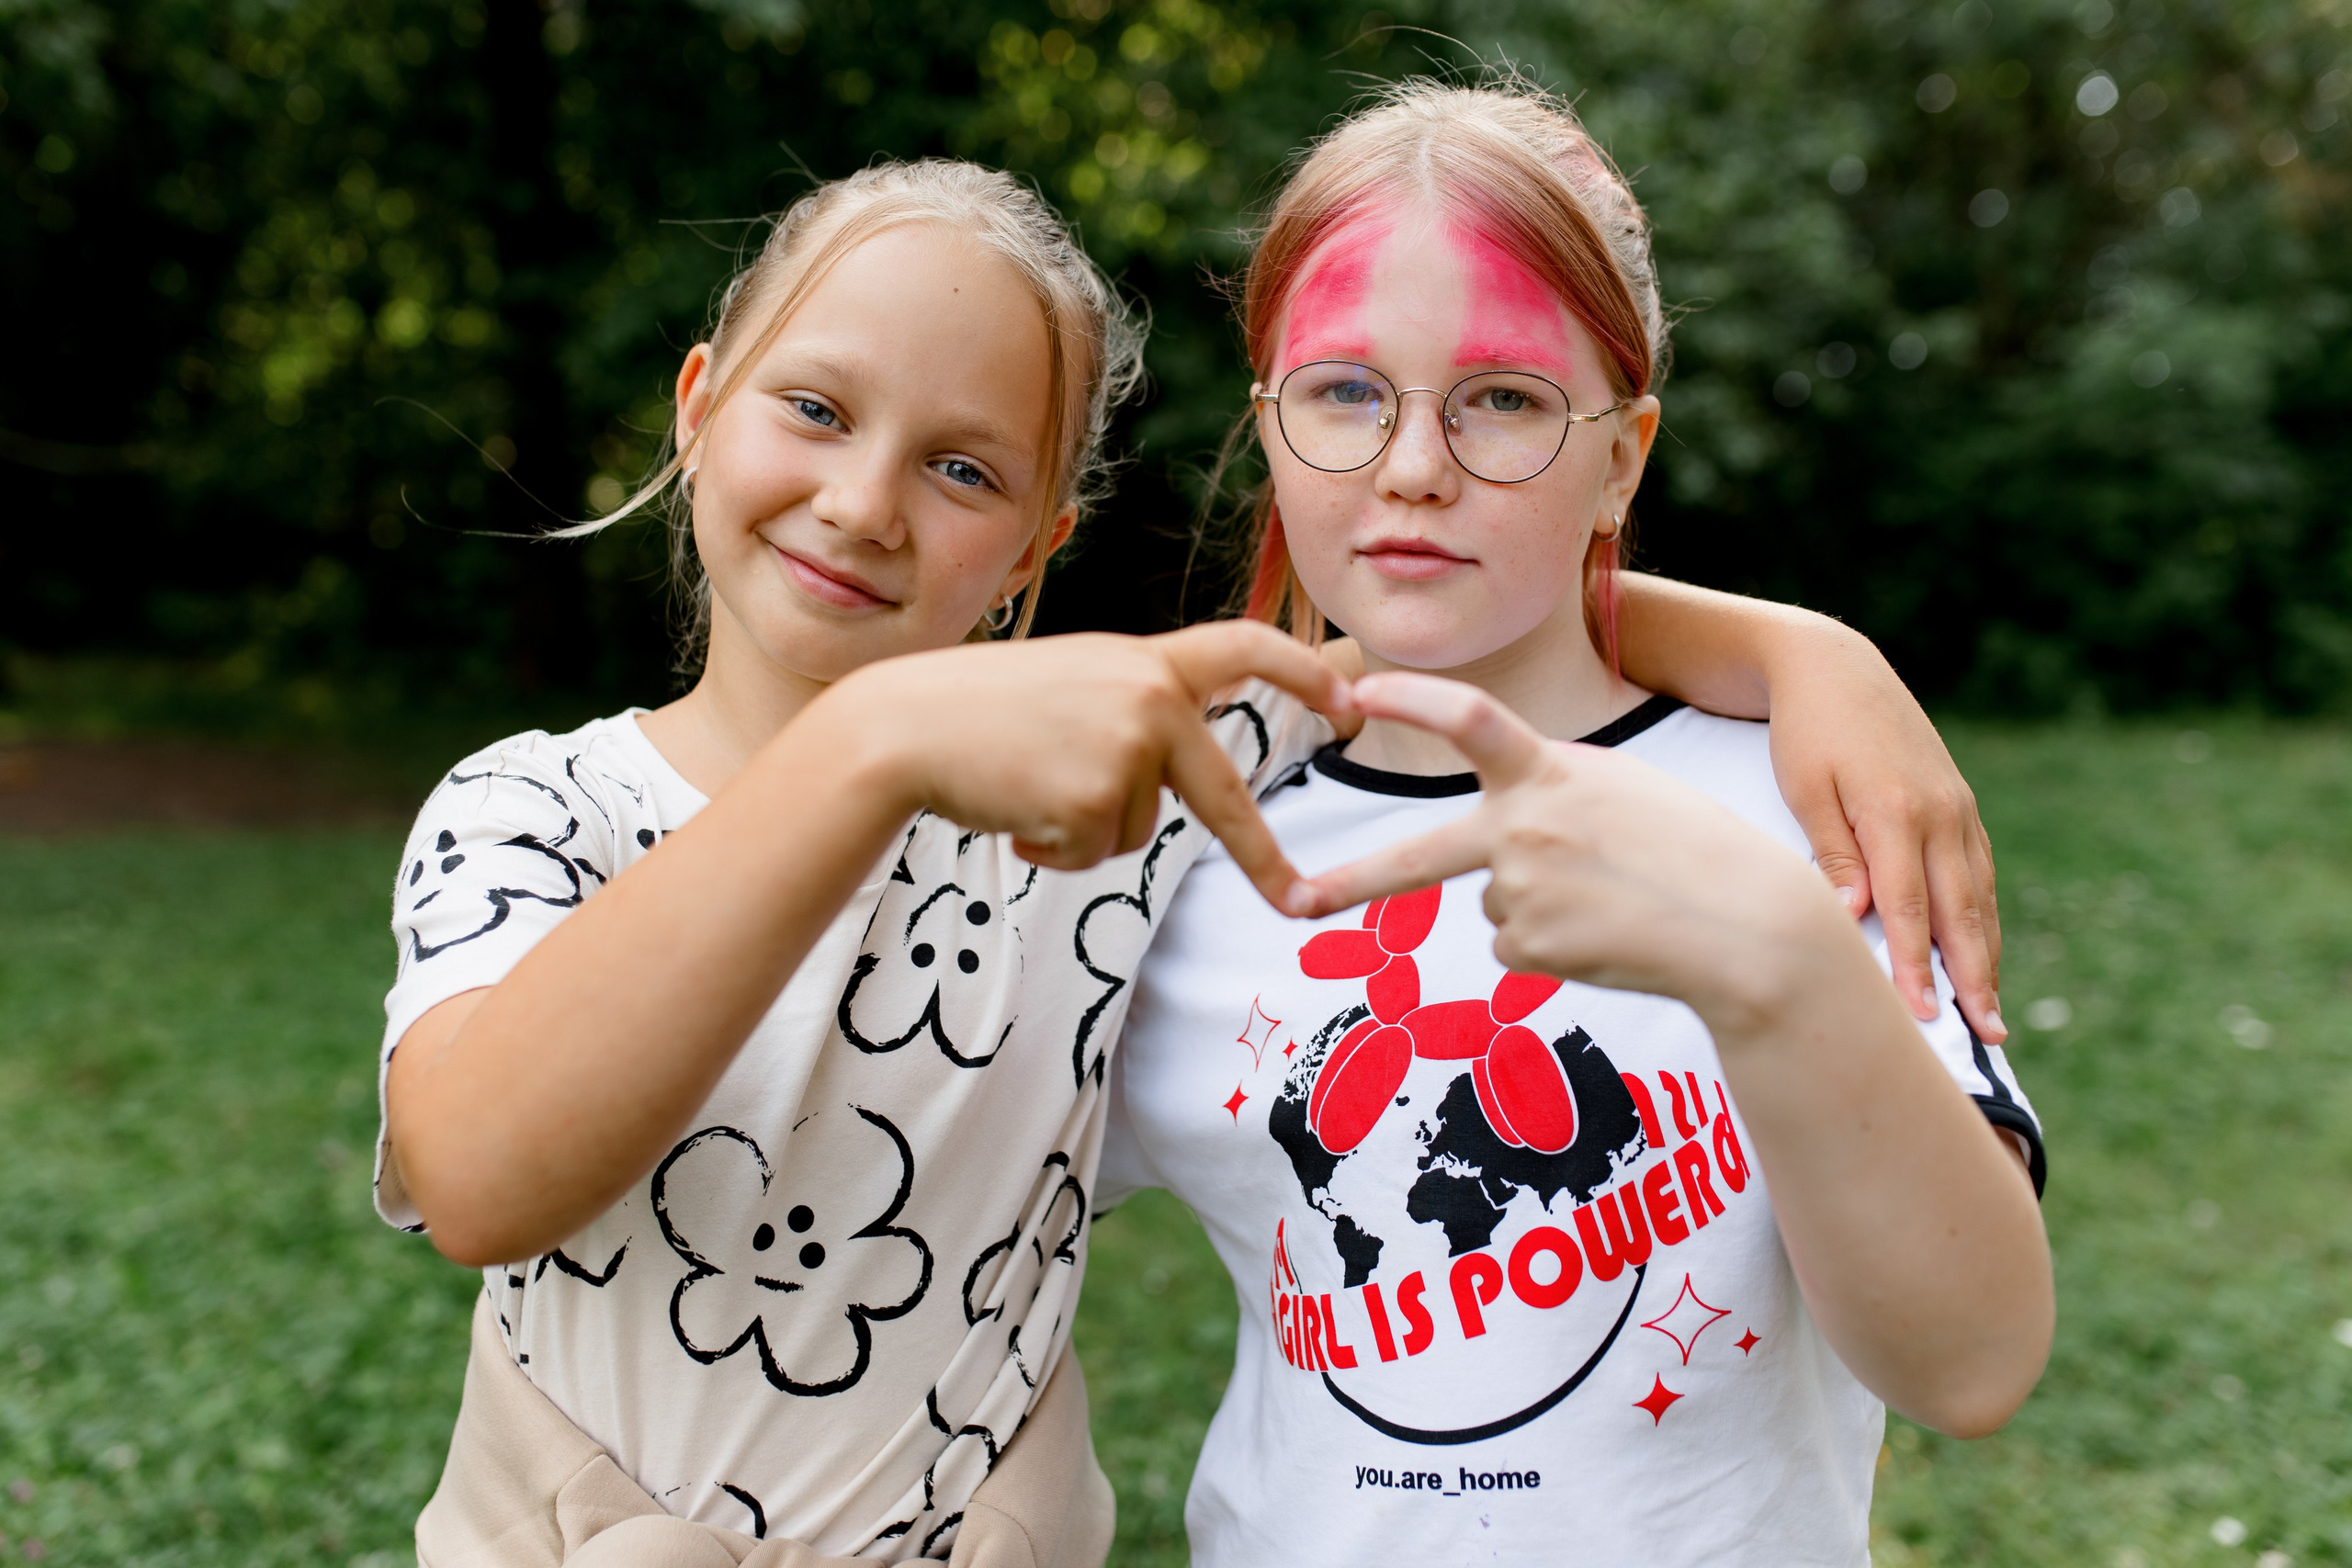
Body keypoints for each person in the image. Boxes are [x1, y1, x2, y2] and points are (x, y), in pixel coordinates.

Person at [377, 157, 2012, 1564]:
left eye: (964, 470)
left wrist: (1814, 662)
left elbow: (1426, 649)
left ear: (1041, 545)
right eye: (812, 409)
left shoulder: (1135, 805)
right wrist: (859, 754)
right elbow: (481, 1176)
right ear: (697, 402)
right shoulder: (544, 812)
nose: (865, 504)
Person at [1099, 80, 2052, 1568]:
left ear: (1623, 453)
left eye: (1504, 399)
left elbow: (1972, 1364)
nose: (1416, 464)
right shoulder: (1185, 847)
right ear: (1270, 426)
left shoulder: (1806, 798)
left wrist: (1780, 970)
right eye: (1346, 390)